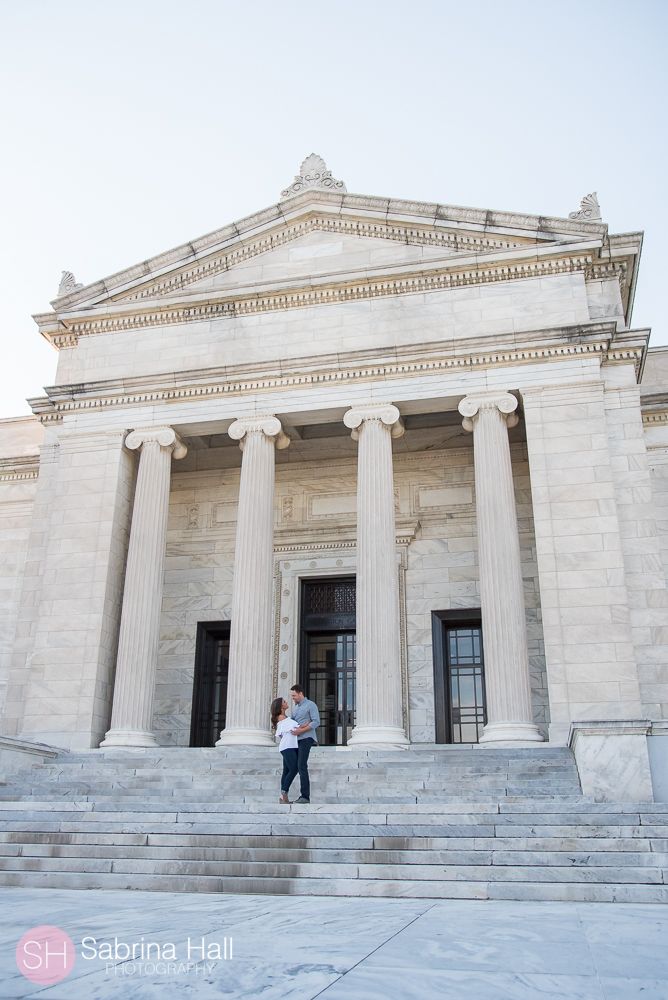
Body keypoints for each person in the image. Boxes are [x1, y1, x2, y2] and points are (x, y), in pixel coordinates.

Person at [289, 684, 320, 804]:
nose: (292, 698)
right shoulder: (295, 708)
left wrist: (302, 730)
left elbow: (316, 722)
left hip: (307, 738)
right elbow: (292, 723)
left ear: (300, 694)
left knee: (302, 765)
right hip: (296, 740)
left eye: (294, 695)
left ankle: (305, 796)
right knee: (295, 765)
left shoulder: (311, 705)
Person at [270, 697, 299, 804]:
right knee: (294, 769)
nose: (286, 702)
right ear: (280, 706)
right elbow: (296, 728)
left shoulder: (283, 718)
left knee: (286, 771)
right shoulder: (282, 718)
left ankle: (284, 796)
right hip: (288, 747)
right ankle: (284, 793)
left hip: (288, 746)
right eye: (284, 702)